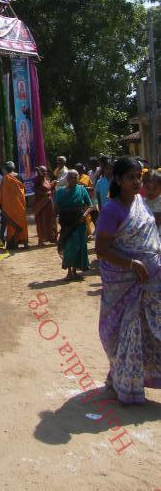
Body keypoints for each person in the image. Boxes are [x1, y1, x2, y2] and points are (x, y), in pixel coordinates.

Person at [95, 156, 160, 404]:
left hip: (149, 283)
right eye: (131, 177)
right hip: (123, 283)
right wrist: (131, 264)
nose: (136, 182)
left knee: (143, 332)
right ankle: (123, 382)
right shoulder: (112, 209)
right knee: (120, 333)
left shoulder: (140, 203)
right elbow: (102, 249)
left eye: (139, 177)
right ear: (119, 179)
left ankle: (124, 380)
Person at [54, 169, 93, 281]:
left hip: (79, 222)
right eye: (71, 177)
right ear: (67, 178)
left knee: (78, 246)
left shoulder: (82, 190)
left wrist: (84, 215)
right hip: (66, 222)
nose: (74, 179)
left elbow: (90, 206)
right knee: (68, 246)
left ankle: (75, 271)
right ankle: (69, 272)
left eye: (76, 177)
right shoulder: (60, 191)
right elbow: (56, 208)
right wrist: (54, 223)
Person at [0, 161, 28, 249]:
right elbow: (23, 190)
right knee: (21, 223)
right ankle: (24, 243)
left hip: (8, 207)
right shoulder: (20, 176)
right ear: (14, 168)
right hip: (20, 205)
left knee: (4, 224)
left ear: (6, 169)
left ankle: (4, 242)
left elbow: (2, 192)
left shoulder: (5, 178)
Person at [33, 166, 57, 246]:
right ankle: (41, 239)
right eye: (43, 171)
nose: (44, 173)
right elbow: (36, 189)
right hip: (41, 204)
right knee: (41, 221)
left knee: (50, 221)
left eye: (45, 171)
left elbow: (48, 189)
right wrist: (44, 194)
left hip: (49, 204)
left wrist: (52, 185)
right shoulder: (38, 179)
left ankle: (52, 238)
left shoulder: (46, 179)